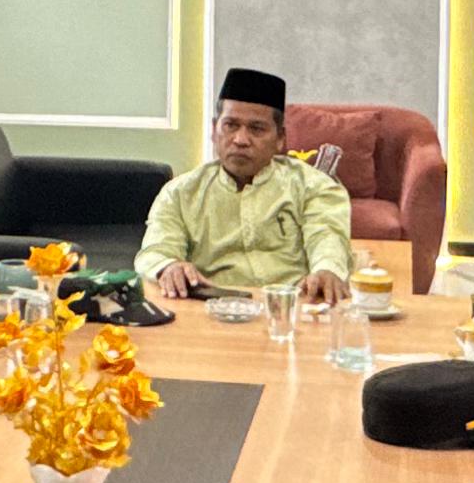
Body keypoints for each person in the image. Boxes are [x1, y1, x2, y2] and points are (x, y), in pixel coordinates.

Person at [137, 66, 356, 306]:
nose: (240, 140)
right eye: (230, 125)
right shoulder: (180, 193)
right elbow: (156, 250)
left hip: (292, 307)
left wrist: (326, 270)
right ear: (214, 131)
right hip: (212, 308)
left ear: (280, 138)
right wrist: (168, 266)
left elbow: (327, 236)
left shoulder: (313, 186)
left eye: (257, 129)